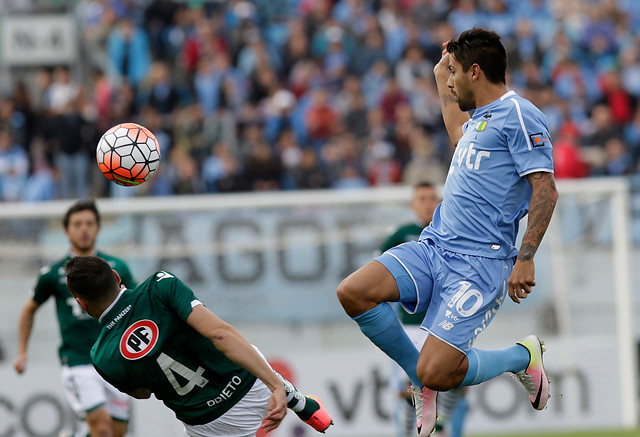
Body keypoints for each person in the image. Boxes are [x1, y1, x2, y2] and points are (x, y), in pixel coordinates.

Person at [337, 27, 558, 437]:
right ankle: (418, 380)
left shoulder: (521, 114)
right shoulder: (479, 119)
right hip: (435, 247)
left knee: (439, 371)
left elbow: (545, 188)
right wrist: (441, 73)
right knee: (354, 292)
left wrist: (525, 257)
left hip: (480, 264)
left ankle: (520, 356)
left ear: (475, 72)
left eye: (455, 72)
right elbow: (457, 134)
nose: (451, 80)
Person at [64, 255, 333, 437]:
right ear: (115, 275)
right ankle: (296, 399)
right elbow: (220, 335)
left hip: (209, 422)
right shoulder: (160, 284)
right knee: (230, 340)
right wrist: (274, 385)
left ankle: (295, 400)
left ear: (81, 303)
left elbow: (142, 393)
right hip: (252, 382)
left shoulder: (100, 355)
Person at [14, 199, 135, 437]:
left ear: (98, 228)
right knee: (101, 426)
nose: (84, 229)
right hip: (78, 359)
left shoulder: (116, 267)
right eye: (77, 224)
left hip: (115, 359)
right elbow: (29, 309)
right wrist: (22, 352)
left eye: (89, 223)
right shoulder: (53, 273)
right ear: (66, 230)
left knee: (118, 431)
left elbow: (137, 305)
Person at [381, 183, 467, 437]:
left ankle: (442, 424)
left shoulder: (451, 231)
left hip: (447, 321)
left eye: (433, 198)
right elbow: (379, 274)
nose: (428, 203)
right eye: (422, 198)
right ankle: (410, 432)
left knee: (457, 379)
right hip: (411, 324)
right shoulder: (401, 235)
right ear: (413, 204)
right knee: (412, 387)